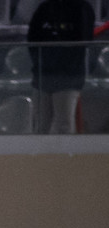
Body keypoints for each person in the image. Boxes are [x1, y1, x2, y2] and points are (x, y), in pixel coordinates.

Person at [27, 0, 95, 134]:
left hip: (68, 78)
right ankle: (40, 154)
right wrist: (41, 63)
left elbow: (83, 40)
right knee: (40, 126)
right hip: (43, 77)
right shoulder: (44, 8)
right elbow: (32, 39)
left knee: (64, 125)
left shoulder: (82, 8)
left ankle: (65, 154)